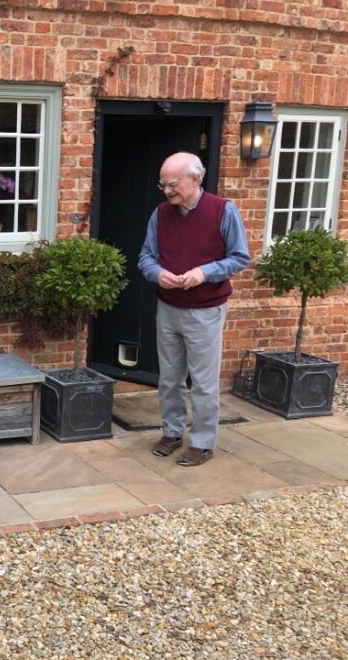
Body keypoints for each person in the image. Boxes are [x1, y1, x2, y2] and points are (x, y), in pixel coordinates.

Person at [138, 152, 250, 467]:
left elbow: (240, 257)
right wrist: (157, 273)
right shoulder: (160, 214)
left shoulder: (223, 211)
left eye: (173, 184)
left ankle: (202, 443)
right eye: (163, 185)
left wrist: (205, 272)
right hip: (168, 307)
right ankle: (172, 432)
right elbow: (146, 256)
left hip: (206, 310)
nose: (167, 191)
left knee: (203, 382)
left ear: (196, 178)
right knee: (169, 378)